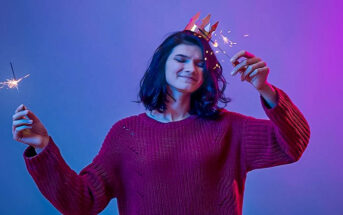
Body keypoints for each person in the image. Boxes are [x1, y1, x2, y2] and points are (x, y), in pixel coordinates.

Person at [13, 30, 310, 215]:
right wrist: (43, 146)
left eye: (199, 63)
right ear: (162, 66)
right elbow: (82, 202)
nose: (190, 68)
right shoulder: (126, 134)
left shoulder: (228, 128)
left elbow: (293, 145)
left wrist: (265, 89)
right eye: (180, 59)